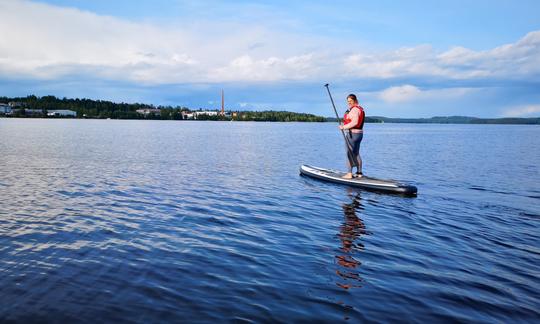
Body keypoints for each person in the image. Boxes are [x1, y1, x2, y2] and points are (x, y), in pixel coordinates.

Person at [338, 94, 365, 179]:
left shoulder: (354, 110)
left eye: (351, 101)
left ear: (355, 100)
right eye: (348, 101)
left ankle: (349, 174)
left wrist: (343, 127)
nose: (349, 103)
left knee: (348, 153)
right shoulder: (360, 109)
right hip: (359, 134)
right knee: (356, 153)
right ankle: (359, 173)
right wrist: (345, 125)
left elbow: (355, 122)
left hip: (352, 135)